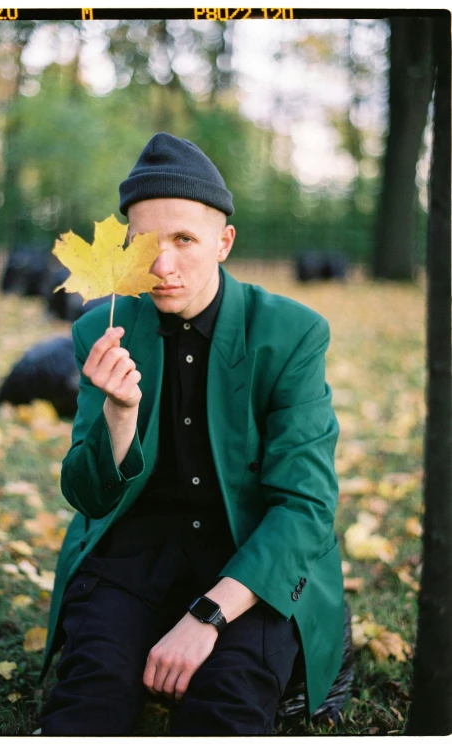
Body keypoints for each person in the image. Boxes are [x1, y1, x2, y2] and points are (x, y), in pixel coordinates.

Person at [38, 132, 344, 736]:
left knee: (227, 707)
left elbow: (306, 507)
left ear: (224, 242)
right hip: (132, 556)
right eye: (146, 242)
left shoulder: (291, 334)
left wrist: (207, 615)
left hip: (247, 559)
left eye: (185, 240)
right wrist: (118, 417)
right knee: (88, 701)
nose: (162, 265)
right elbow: (88, 497)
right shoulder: (104, 330)